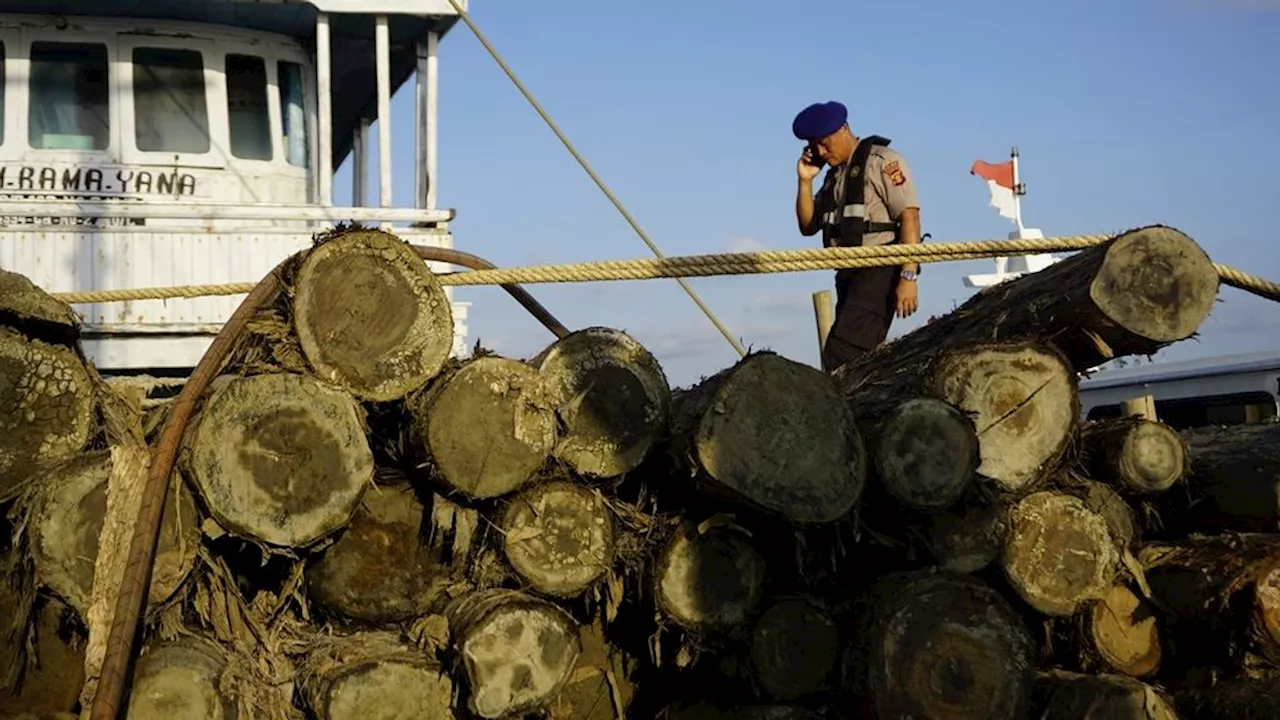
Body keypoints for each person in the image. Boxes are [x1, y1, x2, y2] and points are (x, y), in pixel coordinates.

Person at [792, 100, 922, 372]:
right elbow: (808, 225)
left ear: (843, 130)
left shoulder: (881, 162)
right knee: (853, 359)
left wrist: (908, 277)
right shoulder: (833, 178)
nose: (820, 151)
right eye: (814, 145)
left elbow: (909, 217)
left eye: (825, 143)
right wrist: (805, 181)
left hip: (879, 269)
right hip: (848, 275)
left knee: (842, 353)